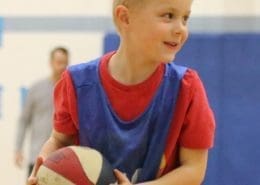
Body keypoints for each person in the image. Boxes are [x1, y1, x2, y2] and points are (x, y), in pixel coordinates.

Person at [28, 0, 215, 184]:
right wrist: (44, 172)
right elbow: (60, 141)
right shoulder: (77, 83)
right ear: (125, 17)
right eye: (168, 16)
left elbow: (193, 169)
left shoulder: (187, 87)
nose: (180, 29)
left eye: (185, 18)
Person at [15, 47, 69, 177]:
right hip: (38, 158)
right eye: (58, 62)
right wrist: (18, 149)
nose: (62, 66)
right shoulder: (36, 89)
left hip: (64, 161)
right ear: (50, 63)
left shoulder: (71, 89)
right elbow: (24, 120)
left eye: (65, 62)